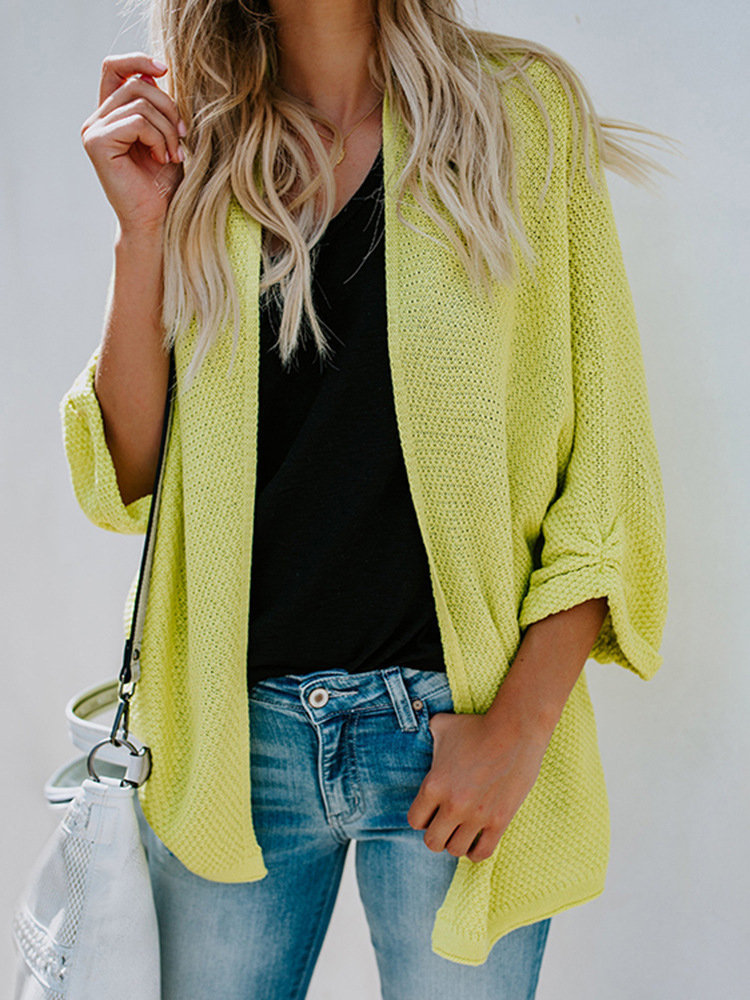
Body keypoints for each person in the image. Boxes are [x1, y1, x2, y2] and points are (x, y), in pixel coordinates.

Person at [61, 1, 669, 997]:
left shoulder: (519, 113)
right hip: (230, 743)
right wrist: (142, 232)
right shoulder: (197, 138)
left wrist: (519, 730)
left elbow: (607, 469)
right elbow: (131, 476)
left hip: (455, 727)